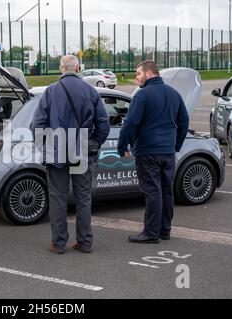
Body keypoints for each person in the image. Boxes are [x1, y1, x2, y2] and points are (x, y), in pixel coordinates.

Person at [32, 55, 110, 254]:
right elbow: (103, 123)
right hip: (83, 152)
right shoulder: (91, 91)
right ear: (77, 67)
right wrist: (94, 143)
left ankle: (59, 243)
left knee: (58, 198)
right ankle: (85, 242)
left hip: (56, 153)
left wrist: (45, 147)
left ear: (60, 68)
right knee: (83, 198)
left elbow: (37, 124)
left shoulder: (50, 91)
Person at [118, 60, 189, 244]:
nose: (136, 77)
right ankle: (165, 230)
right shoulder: (174, 94)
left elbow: (131, 123)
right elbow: (184, 121)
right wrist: (176, 145)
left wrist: (122, 146)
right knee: (166, 191)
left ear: (149, 73)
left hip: (148, 152)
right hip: (167, 152)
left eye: (138, 74)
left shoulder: (142, 95)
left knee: (152, 192)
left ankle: (150, 232)